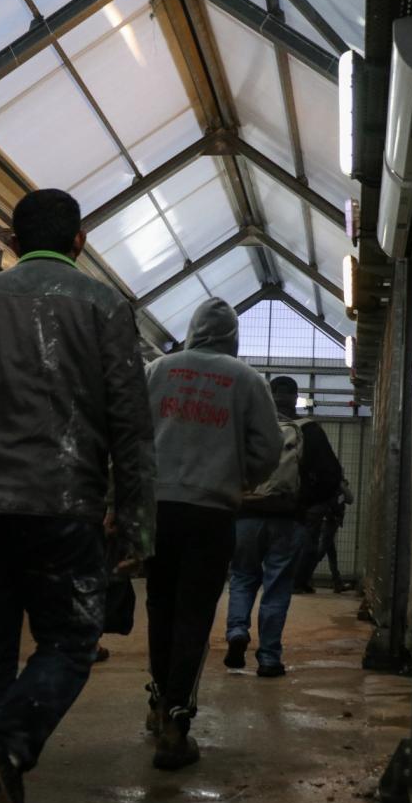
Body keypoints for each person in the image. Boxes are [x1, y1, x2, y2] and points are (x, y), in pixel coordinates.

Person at [0, 189, 155, 803]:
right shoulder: (105, 305)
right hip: (63, 507)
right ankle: (7, 747)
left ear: (13, 242)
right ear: (79, 241)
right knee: (72, 640)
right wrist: (136, 525)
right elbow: (131, 426)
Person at [143, 299, 282, 770]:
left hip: (159, 507)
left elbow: (131, 434)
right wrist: (242, 479)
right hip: (212, 512)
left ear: (192, 329)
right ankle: (176, 724)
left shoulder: (157, 370)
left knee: (160, 606)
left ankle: (159, 701)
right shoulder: (247, 380)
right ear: (233, 337)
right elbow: (270, 448)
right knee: (194, 614)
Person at [224, 377, 343, 677]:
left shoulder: (247, 426)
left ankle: (237, 631)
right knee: (276, 587)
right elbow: (332, 477)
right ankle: (269, 658)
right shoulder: (309, 430)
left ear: (268, 395)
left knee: (242, 577)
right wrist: (304, 504)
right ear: (295, 397)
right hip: (288, 519)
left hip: (246, 516)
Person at [294, 475, 353, 594]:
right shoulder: (335, 485)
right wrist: (342, 485)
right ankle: (302, 580)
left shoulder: (326, 484)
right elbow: (350, 499)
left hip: (325, 521)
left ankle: (337, 582)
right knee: (318, 553)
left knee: (331, 553)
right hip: (328, 522)